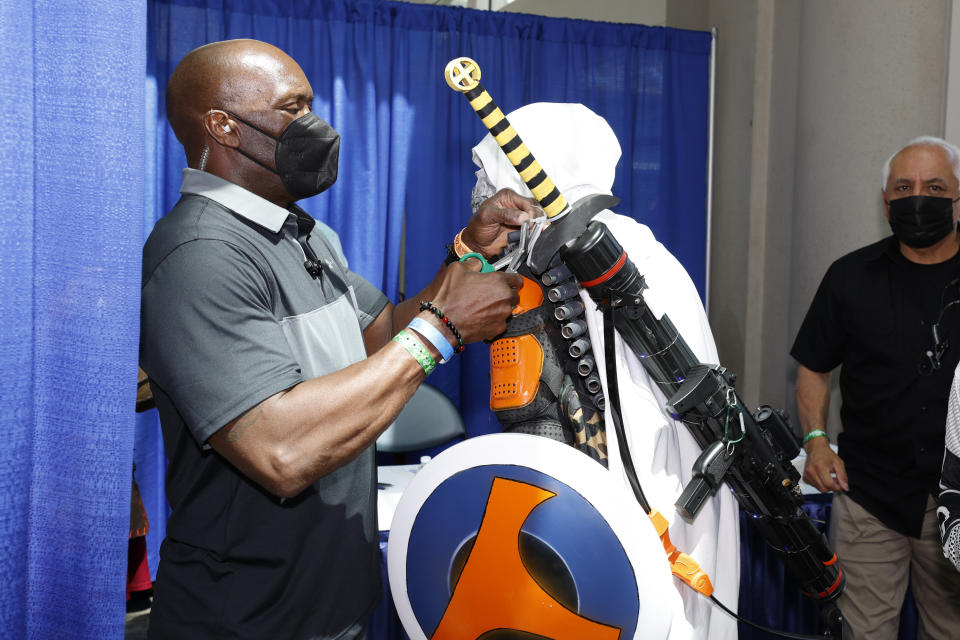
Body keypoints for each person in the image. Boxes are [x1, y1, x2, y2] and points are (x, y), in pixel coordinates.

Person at [140, 39, 535, 640]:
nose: (314, 126)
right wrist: (444, 327)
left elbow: (380, 342)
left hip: (334, 603)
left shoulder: (306, 234)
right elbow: (281, 452)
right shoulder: (201, 255)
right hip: (243, 619)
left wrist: (469, 256)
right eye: (291, 109)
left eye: (310, 105)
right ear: (223, 127)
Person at [470, 102, 740, 640]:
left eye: (485, 169)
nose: (478, 185)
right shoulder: (526, 250)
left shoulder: (619, 252)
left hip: (631, 512)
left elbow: (645, 418)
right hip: (557, 506)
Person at [792, 136, 960, 638]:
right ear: (885, 201)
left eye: (934, 186)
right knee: (862, 631)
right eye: (903, 187)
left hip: (958, 497)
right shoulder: (851, 277)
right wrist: (816, 441)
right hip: (870, 495)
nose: (917, 198)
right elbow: (814, 368)